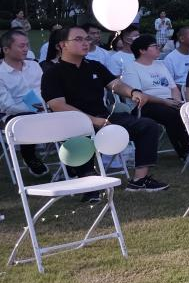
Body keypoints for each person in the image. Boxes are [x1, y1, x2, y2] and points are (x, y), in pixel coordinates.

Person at [42, 26, 169, 193]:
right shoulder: (53, 73)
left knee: (147, 125)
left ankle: (139, 180)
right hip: (73, 124)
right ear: (62, 45)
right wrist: (92, 121)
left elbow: (115, 84)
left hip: (104, 118)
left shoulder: (94, 66)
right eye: (78, 39)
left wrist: (133, 92)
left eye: (87, 39)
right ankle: (87, 179)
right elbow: (58, 105)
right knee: (84, 132)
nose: (85, 43)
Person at [120, 35, 189, 159]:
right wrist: (165, 102)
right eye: (154, 46)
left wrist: (177, 101)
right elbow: (138, 95)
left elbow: (173, 88)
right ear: (142, 50)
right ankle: (186, 152)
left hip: (169, 102)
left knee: (188, 110)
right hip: (144, 105)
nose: (159, 48)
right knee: (172, 114)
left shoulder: (160, 65)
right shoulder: (131, 67)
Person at [1, 29, 48, 175]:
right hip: (13, 115)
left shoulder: (34, 66)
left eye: (27, 45)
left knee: (67, 114)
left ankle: (72, 161)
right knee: (29, 118)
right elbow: (6, 105)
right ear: (6, 49)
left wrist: (43, 105)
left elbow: (45, 89)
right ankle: (29, 155)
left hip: (42, 109)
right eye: (21, 46)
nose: (26, 49)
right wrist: (36, 108)